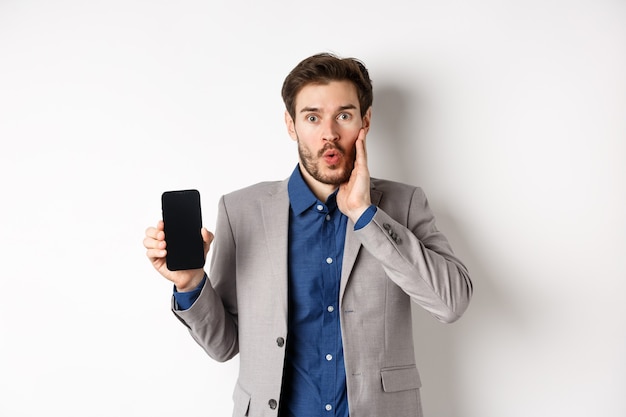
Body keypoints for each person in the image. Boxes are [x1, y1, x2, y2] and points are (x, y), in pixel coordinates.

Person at [144, 52, 473, 417]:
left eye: (344, 116)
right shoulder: (240, 211)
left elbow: (451, 302)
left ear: (365, 121)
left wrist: (367, 215)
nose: (329, 134)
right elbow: (223, 345)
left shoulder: (404, 204)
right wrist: (191, 283)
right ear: (291, 124)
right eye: (312, 117)